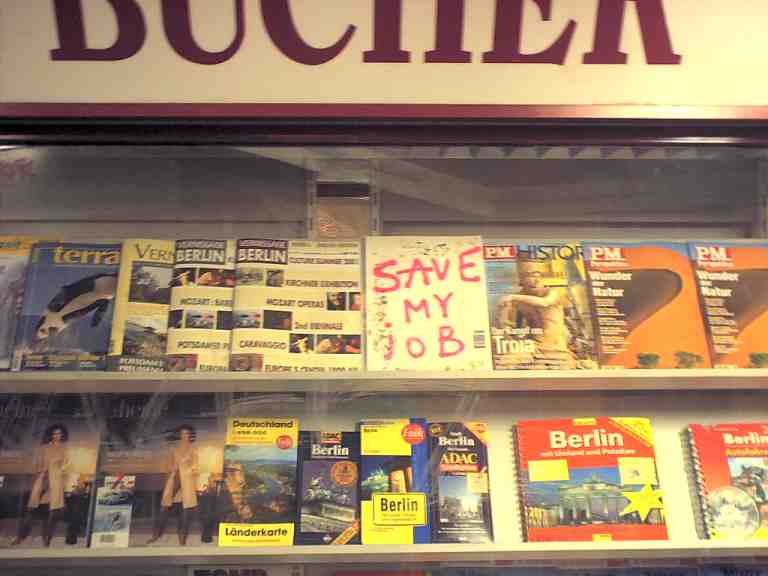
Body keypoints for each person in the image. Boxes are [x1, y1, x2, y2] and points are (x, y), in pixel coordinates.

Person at [495, 260, 579, 369]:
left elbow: (544, 303)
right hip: (534, 347)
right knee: (504, 363)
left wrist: (512, 297)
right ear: (522, 279)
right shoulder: (517, 300)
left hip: (557, 349)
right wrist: (502, 312)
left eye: (539, 275)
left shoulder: (552, 293)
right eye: (530, 275)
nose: (536, 280)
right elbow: (508, 327)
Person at [13, 424, 71, 547]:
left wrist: (59, 471)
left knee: (53, 511)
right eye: (55, 433)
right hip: (42, 479)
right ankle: (21, 537)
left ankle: (47, 540)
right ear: (51, 434)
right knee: (31, 509)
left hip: (55, 481)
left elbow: (66, 465)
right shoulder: (44, 448)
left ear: (62, 435)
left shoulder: (64, 448)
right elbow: (37, 464)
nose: (57, 436)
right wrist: (39, 474)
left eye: (59, 433)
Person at [147, 425, 198, 546]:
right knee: (164, 508)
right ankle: (156, 535)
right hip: (174, 480)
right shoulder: (174, 449)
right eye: (182, 433)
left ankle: (182, 539)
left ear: (190, 435)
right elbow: (168, 465)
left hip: (186, 482)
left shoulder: (193, 450)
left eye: (187, 433)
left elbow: (196, 467)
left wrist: (186, 470)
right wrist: (172, 468)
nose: (184, 436)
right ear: (179, 435)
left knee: (185, 511)